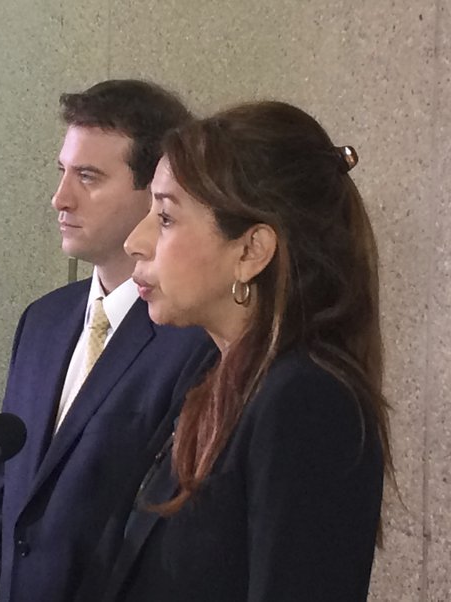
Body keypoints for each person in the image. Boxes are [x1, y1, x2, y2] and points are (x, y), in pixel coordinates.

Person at [76, 100, 393, 602]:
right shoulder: (211, 371)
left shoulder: (307, 402)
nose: (137, 242)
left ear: (251, 252)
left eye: (164, 218)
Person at [0, 80, 215, 602]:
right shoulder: (44, 320)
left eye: (89, 177)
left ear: (155, 193)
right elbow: (2, 500)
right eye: (63, 172)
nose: (61, 198)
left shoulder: (196, 341)